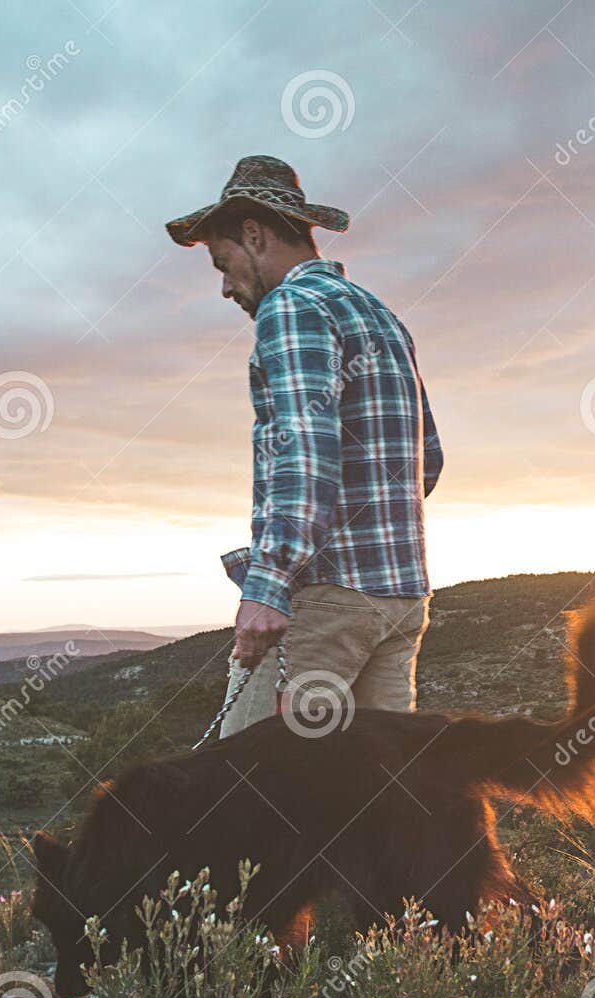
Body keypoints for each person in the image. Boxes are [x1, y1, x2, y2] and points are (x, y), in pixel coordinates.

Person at [166, 155, 443, 736]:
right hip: (401, 597)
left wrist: (269, 584)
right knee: (370, 798)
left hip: (326, 603)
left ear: (253, 233)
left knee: (244, 793)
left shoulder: (290, 308)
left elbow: (305, 454)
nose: (224, 286)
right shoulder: (380, 315)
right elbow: (429, 458)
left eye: (223, 263)